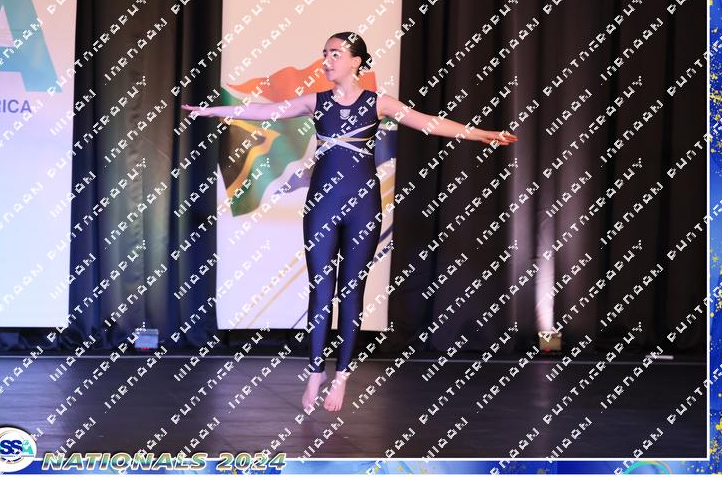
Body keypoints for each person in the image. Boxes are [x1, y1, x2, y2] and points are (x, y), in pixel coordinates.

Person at [182, 32, 518, 413]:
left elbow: (428, 122)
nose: (326, 61)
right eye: (324, 53)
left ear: (356, 61)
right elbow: (265, 111)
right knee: (321, 289)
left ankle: (341, 375)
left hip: (363, 208)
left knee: (352, 291)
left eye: (335, 54)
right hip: (322, 206)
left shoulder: (378, 103)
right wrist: (214, 112)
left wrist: (481, 134)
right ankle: (315, 371)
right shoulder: (316, 101)